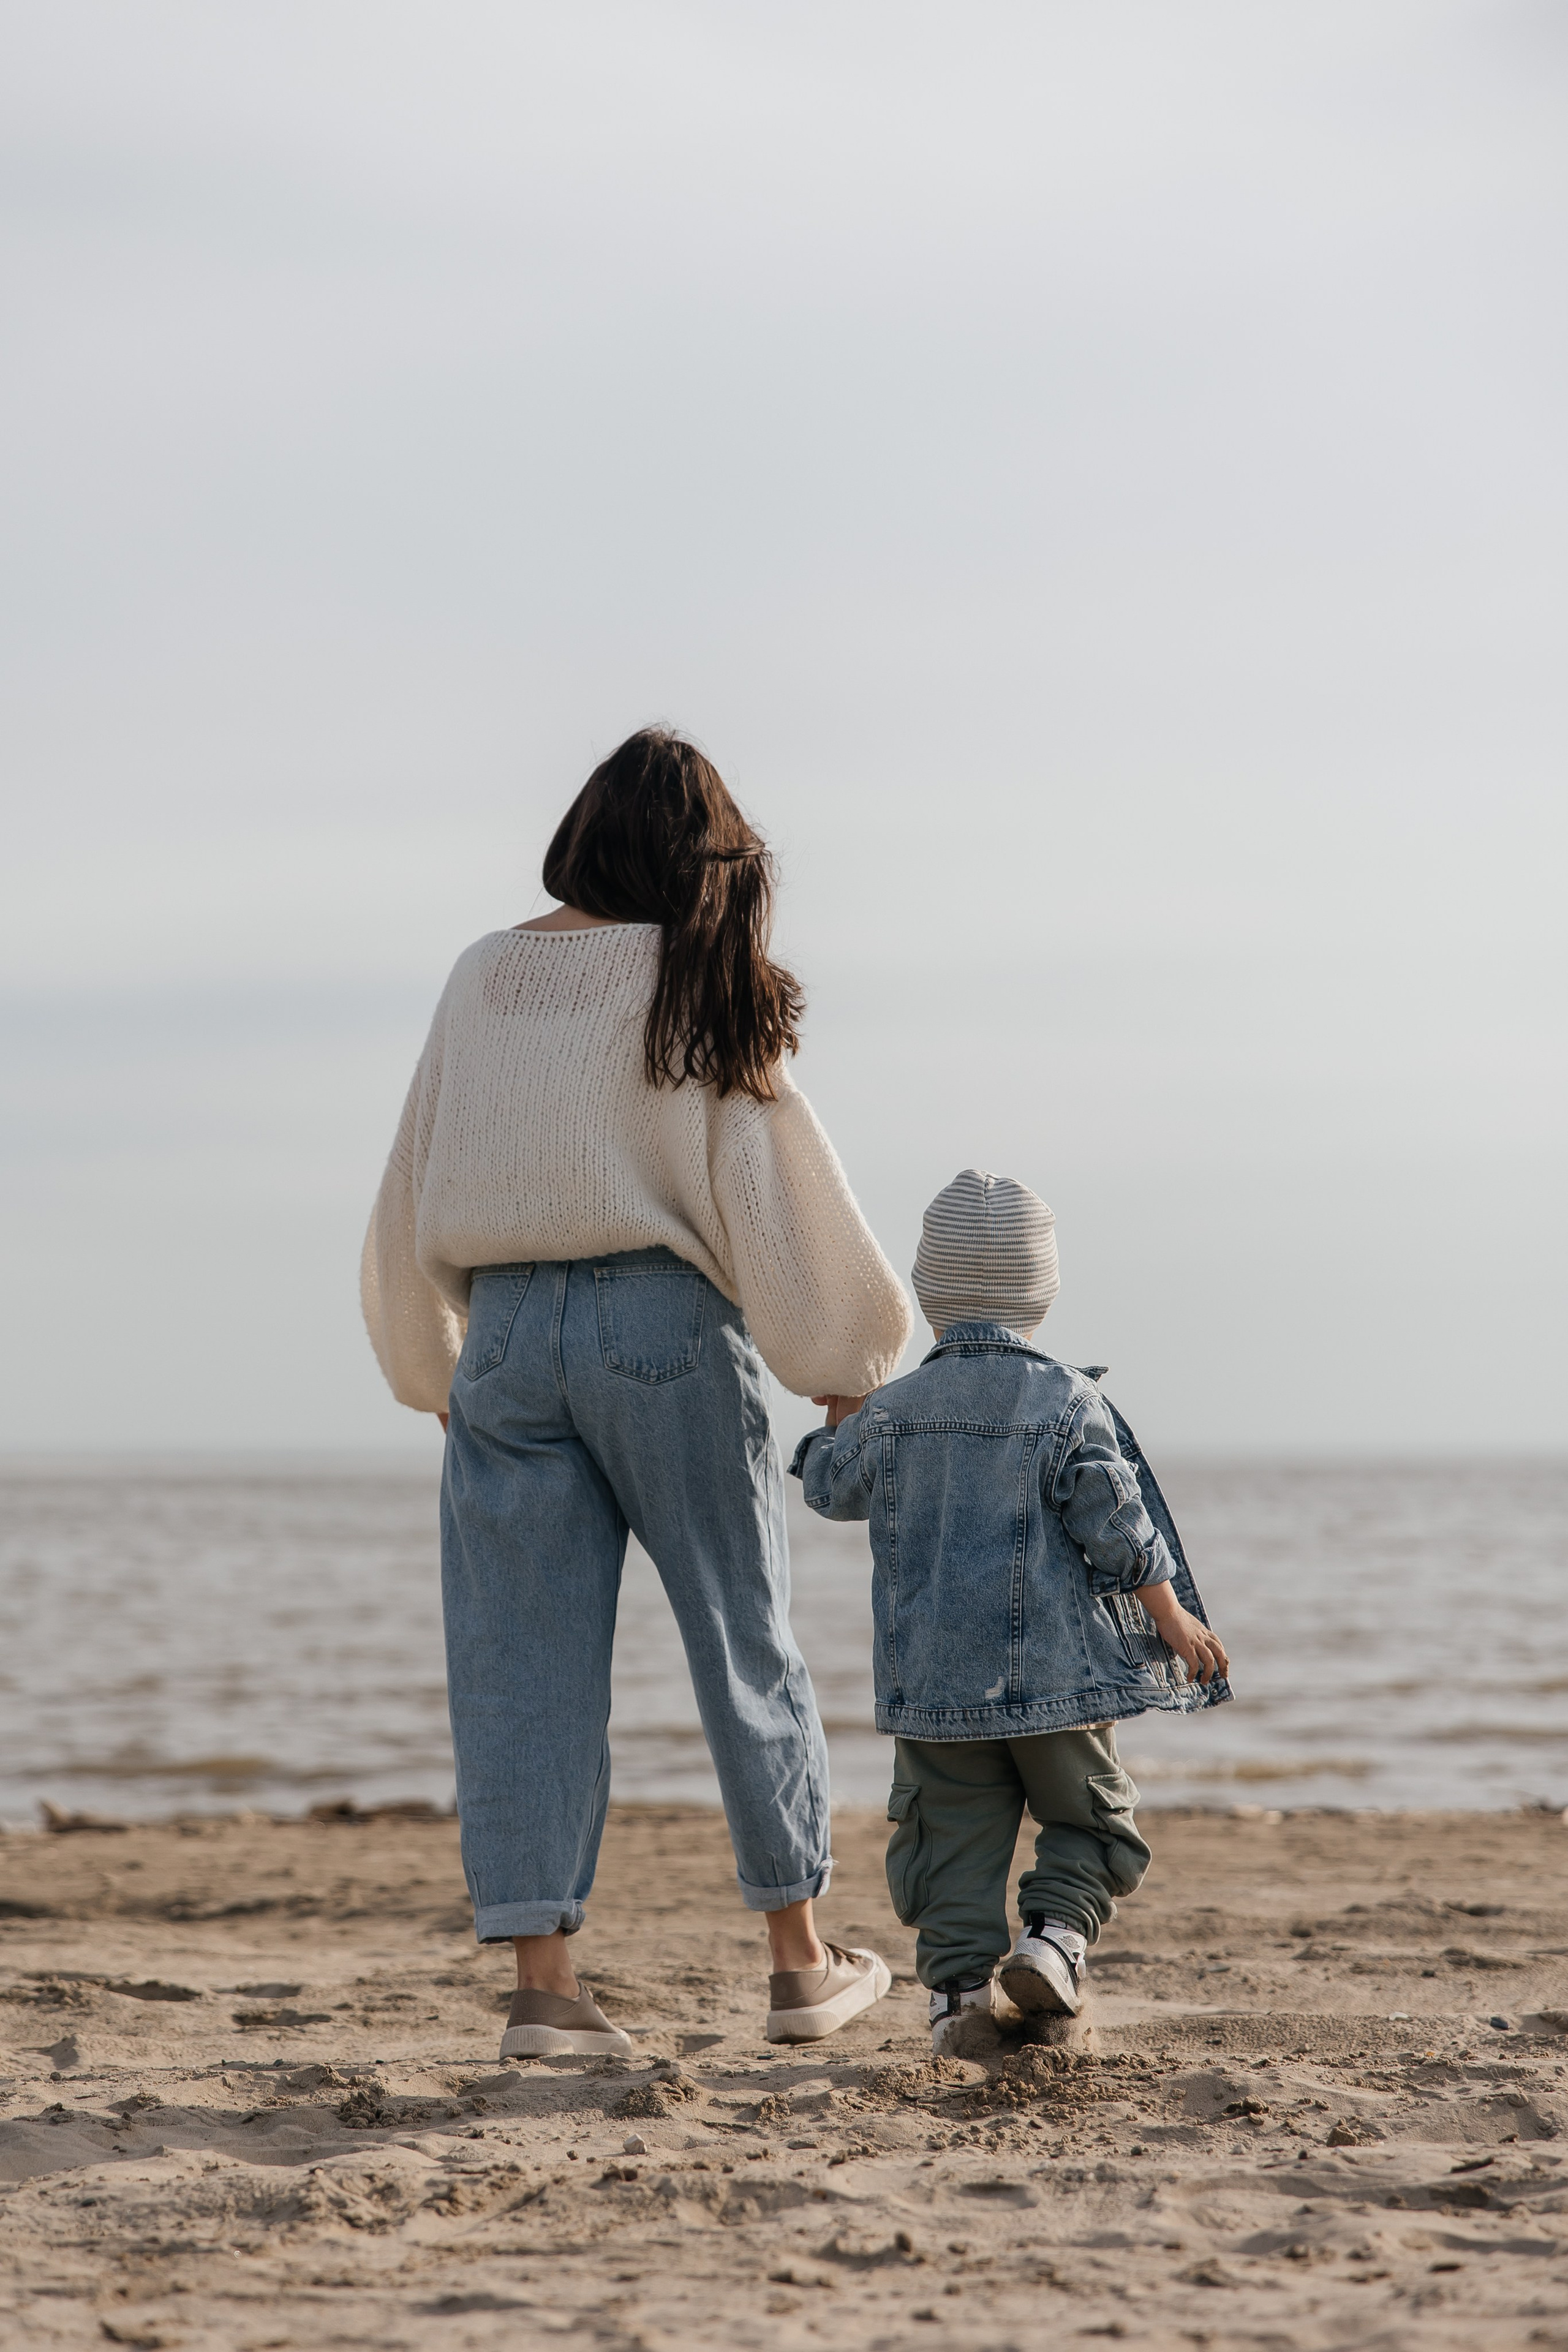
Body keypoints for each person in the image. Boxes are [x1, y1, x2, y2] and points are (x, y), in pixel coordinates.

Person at [361, 728, 911, 2057]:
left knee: (515, 1668)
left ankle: (543, 1995)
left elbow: (415, 1160)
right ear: (700, 857)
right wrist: (844, 1366)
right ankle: (798, 1964)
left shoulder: (480, 974)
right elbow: (772, 1179)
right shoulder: (693, 976)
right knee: (741, 1636)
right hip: (662, 1325)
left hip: (500, 1331)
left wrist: (428, 1358)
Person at [790, 1168, 1229, 2054]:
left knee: (948, 1837)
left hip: (936, 1685)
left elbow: (833, 1490)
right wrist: (1171, 1616)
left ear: (925, 1289)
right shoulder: (1068, 1399)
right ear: (1045, 1290)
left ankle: (957, 1999)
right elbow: (1114, 1520)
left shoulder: (898, 1411)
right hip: (1058, 1681)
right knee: (1091, 1819)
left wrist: (839, 1424)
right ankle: (1055, 1940)